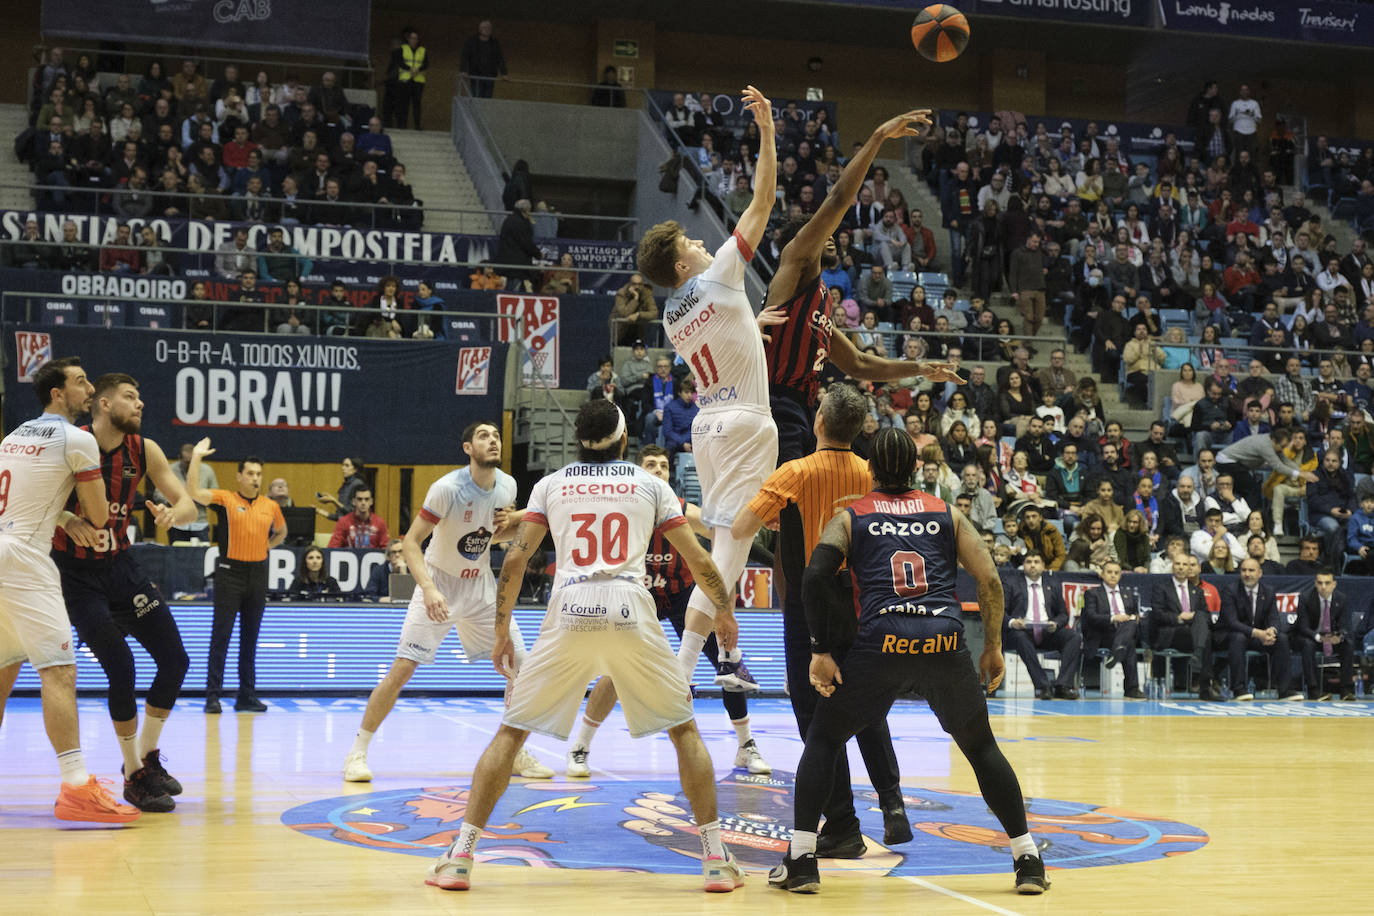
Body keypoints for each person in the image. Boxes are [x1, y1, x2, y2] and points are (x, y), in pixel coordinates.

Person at [425, 401, 745, 894]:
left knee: (511, 734)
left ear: (578, 439)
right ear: (623, 440)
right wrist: (723, 610)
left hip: (570, 607)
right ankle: (715, 859)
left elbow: (513, 563)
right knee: (684, 730)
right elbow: (698, 557)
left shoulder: (550, 484)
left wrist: (501, 630)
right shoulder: (651, 485)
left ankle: (461, 855)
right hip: (630, 607)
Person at [768, 427, 1048, 895]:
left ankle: (800, 860)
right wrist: (993, 645)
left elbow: (815, 577)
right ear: (917, 468)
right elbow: (990, 581)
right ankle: (1028, 859)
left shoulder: (851, 515)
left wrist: (819, 650)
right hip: (943, 644)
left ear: (871, 470)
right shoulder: (947, 513)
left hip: (883, 643)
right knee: (981, 749)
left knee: (824, 737)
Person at [637, 86, 778, 695]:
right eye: (690, 244)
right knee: (730, 555)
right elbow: (763, 199)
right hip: (746, 422)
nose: (701, 241)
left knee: (727, 543)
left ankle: (712, 664)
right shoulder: (719, 272)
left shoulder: (673, 314)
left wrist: (752, 321)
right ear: (682, 267)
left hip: (707, 426)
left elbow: (723, 331)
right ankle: (691, 668)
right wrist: (767, 130)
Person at [731, 384, 907, 855]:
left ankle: (844, 823)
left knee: (815, 714)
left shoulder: (795, 473)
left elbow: (741, 528)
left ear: (819, 423)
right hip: (865, 602)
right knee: (867, 705)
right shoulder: (872, 473)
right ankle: (892, 806)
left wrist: (766, 511)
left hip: (813, 602)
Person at [343, 421, 552, 782]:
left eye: (497, 436)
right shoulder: (447, 488)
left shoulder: (508, 485)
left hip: (481, 589)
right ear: (468, 448)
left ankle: (517, 752)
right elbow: (411, 543)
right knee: (402, 670)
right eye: (484, 436)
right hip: (439, 583)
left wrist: (517, 522)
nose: (493, 441)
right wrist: (428, 588)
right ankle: (357, 753)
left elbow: (492, 536)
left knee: (523, 665)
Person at [565, 445, 769, 778]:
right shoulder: (623, 509)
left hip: (682, 595)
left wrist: (758, 554)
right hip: (638, 596)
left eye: (663, 465)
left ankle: (746, 746)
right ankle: (580, 746)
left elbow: (728, 539)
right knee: (615, 670)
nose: (658, 470)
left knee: (728, 660)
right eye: (650, 465)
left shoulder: (683, 510)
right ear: (638, 472)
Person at [49, 374, 199, 812]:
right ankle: (134, 775)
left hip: (121, 569)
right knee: (122, 665)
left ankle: (146, 760)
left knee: (175, 659)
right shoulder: (71, 442)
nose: (140, 405)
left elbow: (187, 503)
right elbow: (30, 498)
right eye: (130, 398)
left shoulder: (143, 449)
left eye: (140, 397)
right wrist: (65, 519)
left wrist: (176, 512)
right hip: (76, 574)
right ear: (103, 404)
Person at [0, 358, 140, 824]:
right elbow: (100, 517)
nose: (87, 388)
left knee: (2, 675)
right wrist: (74, 516)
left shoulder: (13, 436)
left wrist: (60, 515)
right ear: (58, 394)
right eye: (80, 382)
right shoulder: (78, 439)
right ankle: (78, 787)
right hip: (24, 559)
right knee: (58, 672)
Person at [184, 441, 285, 714]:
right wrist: (196, 457)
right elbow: (192, 491)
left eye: (258, 474)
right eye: (250, 473)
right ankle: (212, 696)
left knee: (250, 638)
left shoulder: (270, 505)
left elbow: (281, 532)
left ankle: (246, 696)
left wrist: (267, 547)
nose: (255, 478)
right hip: (230, 574)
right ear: (239, 476)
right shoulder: (226, 499)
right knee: (221, 637)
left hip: (257, 574)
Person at [1001, 551, 1081, 700]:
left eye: (1036, 561)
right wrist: (1013, 622)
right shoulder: (1011, 582)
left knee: (1074, 637)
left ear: (1043, 566)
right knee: (1020, 637)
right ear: (1023, 565)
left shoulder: (1052, 584)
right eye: (1029, 561)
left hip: (1047, 631)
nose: (1032, 565)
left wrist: (1056, 624)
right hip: (1021, 631)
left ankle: (1063, 685)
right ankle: (1042, 686)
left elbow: (1063, 614)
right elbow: (1000, 611)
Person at [1219, 558, 1301, 701]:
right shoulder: (1230, 590)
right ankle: (1239, 689)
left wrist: (1271, 631)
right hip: (1231, 636)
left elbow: (1274, 618)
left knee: (1281, 639)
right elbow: (1232, 622)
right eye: (1244, 570)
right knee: (1238, 637)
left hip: (1258, 637)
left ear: (1260, 573)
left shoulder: (1268, 591)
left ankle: (1284, 691)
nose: (1247, 574)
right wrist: (1258, 633)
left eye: (1251, 570)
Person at [1148, 554, 1223, 700]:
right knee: (1204, 635)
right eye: (1177, 564)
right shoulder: (1161, 588)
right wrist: (1179, 617)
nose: (1181, 567)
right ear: (1172, 566)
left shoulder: (1197, 591)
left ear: (1190, 568)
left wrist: (1194, 617)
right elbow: (1157, 614)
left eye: (1184, 564)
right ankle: (1205, 685)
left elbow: (1207, 616)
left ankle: (1201, 664)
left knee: (1202, 622)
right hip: (1172, 634)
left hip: (1193, 635)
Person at [1078, 560, 1145, 699]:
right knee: (1129, 643)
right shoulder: (1092, 593)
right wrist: (1113, 618)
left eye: (1116, 573)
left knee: (1132, 626)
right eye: (1109, 572)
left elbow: (1135, 615)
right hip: (1103, 634)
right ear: (1102, 574)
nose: (1113, 575)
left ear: (1120, 575)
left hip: (1125, 631)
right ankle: (1131, 688)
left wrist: (1133, 618)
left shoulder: (1128, 593)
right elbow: (1090, 617)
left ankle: (1118, 650)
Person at [1291, 571, 1357, 701]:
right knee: (1308, 645)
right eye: (1320, 583)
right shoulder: (1305, 598)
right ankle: (1313, 690)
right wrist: (1319, 637)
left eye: (1327, 583)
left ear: (1334, 584)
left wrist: (1339, 636)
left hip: (1331, 637)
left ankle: (1346, 690)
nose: (1323, 587)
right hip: (1310, 636)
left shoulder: (1341, 598)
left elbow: (1345, 625)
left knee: (1348, 644)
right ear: (1315, 584)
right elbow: (1303, 627)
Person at [154, 442, 218, 542]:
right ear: (179, 458)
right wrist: (176, 500)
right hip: (177, 523)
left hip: (200, 523)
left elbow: (215, 495)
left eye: (193, 461)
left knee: (202, 555)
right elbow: (158, 493)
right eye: (187, 462)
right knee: (176, 555)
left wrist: (200, 498)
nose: (190, 465)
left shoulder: (208, 471)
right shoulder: (170, 470)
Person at [459, 20, 505, 100]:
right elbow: (465, 56)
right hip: (475, 75)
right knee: (476, 98)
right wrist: (463, 70)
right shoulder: (471, 41)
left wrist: (504, 73)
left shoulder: (494, 43)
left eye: (489, 28)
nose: (487, 29)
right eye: (484, 27)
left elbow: (500, 58)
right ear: (479, 29)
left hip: (490, 76)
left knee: (487, 99)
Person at [395, 29, 429, 125]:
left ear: (418, 40)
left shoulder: (422, 50)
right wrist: (410, 69)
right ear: (408, 39)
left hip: (418, 80)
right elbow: (400, 62)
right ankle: (402, 125)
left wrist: (418, 69)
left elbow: (426, 63)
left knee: (417, 103)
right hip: (405, 80)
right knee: (404, 103)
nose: (413, 40)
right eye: (412, 38)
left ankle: (417, 125)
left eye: (415, 38)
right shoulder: (403, 48)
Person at [317, 456, 367, 520]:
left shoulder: (357, 484)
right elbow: (339, 517)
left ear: (355, 469)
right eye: (343, 465)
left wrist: (334, 501)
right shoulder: (345, 486)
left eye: (347, 465)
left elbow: (352, 513)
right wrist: (318, 511)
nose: (343, 468)